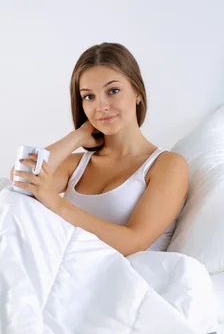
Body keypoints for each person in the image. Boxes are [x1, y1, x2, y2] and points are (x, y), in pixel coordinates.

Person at [11, 42, 189, 257]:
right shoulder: (78, 165)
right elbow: (20, 181)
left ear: (137, 93)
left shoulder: (167, 165)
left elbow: (132, 243)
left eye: (113, 91)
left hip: (125, 277)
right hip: (70, 269)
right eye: (89, 96)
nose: (101, 106)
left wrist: (56, 203)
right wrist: (77, 136)